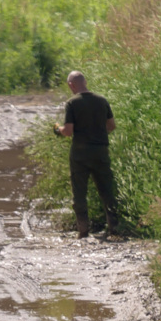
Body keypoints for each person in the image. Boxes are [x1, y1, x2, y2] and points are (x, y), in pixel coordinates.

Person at [53, 69, 117, 239]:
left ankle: (83, 231)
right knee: (107, 191)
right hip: (100, 152)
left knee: (80, 193)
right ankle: (114, 229)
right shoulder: (102, 100)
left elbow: (68, 131)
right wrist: (96, 132)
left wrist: (57, 129)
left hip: (80, 155)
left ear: (71, 85)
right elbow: (111, 126)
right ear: (85, 82)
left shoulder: (72, 103)